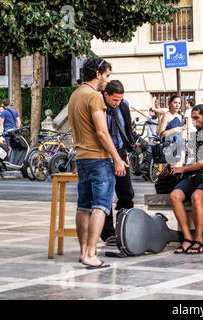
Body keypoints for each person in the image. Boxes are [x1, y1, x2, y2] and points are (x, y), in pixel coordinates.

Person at [67, 57, 127, 270]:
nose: (107, 80)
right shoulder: (94, 97)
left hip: (81, 158)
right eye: (107, 75)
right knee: (101, 206)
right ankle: (91, 254)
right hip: (99, 159)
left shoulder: (75, 95)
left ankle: (83, 252)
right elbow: (102, 132)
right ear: (99, 73)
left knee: (83, 206)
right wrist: (117, 157)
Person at [169, 103, 203, 254]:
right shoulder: (197, 135)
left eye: (196, 118)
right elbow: (194, 160)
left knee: (196, 196)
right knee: (175, 195)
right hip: (197, 176)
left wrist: (182, 169)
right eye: (192, 118)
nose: (193, 122)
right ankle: (187, 238)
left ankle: (198, 240)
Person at [99, 80, 136, 246]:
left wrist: (125, 152)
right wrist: (114, 159)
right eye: (114, 100)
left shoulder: (123, 105)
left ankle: (125, 228)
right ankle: (108, 233)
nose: (117, 103)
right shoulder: (99, 107)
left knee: (126, 192)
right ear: (106, 95)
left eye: (120, 99)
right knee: (105, 194)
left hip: (121, 152)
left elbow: (126, 128)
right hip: (103, 154)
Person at [158, 95, 185, 167]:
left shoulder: (179, 116)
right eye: (175, 102)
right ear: (170, 104)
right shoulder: (166, 116)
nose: (177, 105)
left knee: (179, 168)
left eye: (179, 103)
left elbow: (180, 133)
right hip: (170, 146)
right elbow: (160, 134)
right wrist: (174, 129)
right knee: (174, 169)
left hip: (180, 145)